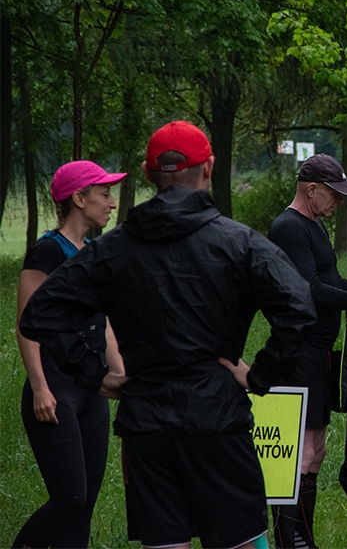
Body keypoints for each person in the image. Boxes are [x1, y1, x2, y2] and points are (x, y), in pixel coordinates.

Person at [18, 121, 317, 549]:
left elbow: (41, 314)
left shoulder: (111, 249)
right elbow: (300, 308)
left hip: (148, 427)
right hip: (217, 424)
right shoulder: (241, 243)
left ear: (146, 173)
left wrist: (93, 374)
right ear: (209, 168)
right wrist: (259, 376)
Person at [267, 153, 347, 549]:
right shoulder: (289, 227)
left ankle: (305, 537)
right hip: (297, 350)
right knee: (300, 453)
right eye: (334, 195)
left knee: (317, 449)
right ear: (311, 189)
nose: (339, 202)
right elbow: (308, 290)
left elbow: (331, 279)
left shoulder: (314, 225)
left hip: (321, 351)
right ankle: (293, 541)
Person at [13, 161, 126, 548]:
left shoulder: (95, 253)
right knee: (69, 498)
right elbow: (27, 326)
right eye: (104, 193)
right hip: (55, 391)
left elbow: (104, 323)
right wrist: (40, 387)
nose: (112, 203)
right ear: (79, 199)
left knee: (85, 505)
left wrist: (122, 379)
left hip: (91, 391)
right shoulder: (47, 252)